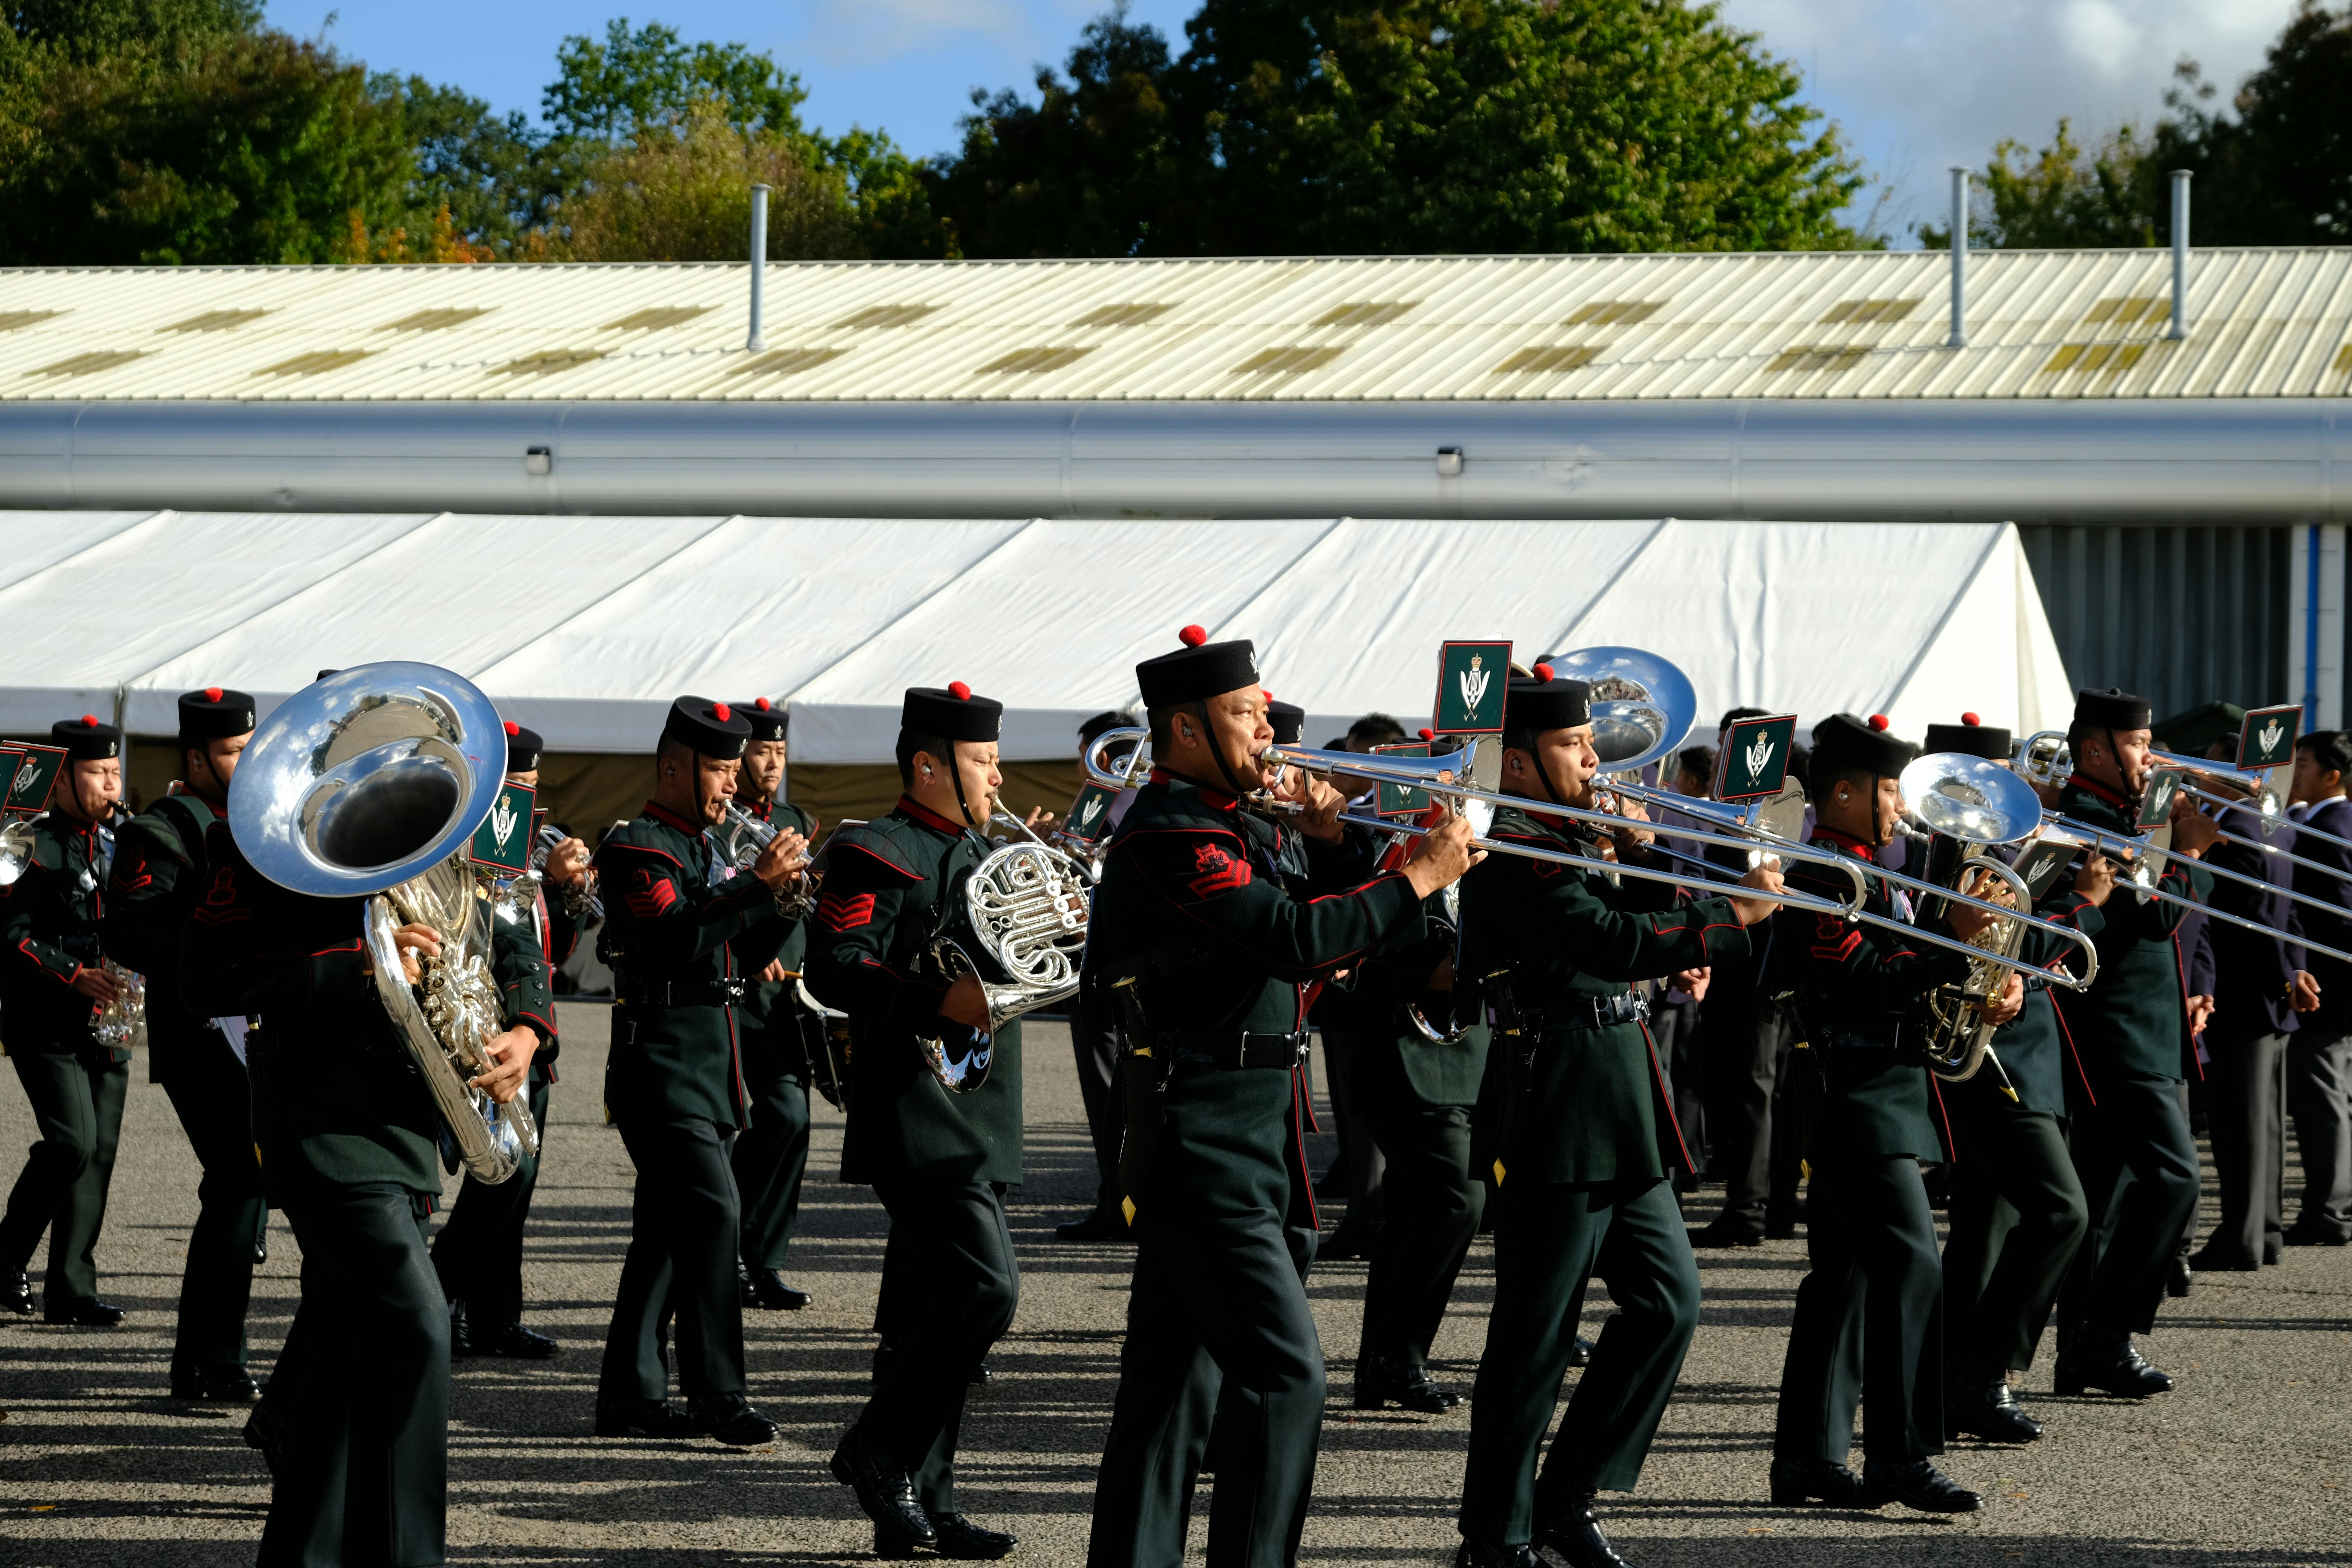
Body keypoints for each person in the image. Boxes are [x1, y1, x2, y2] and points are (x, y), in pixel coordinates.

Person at [1085, 626, 1476, 1568]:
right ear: (1183, 730)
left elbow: (1353, 947)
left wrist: (1343, 840)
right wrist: (1417, 872)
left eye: (1265, 710)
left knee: (1172, 1391)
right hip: (1203, 1131)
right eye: (1245, 714)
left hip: (1251, 1127)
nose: (1268, 729)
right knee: (1287, 1376)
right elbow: (1289, 938)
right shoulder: (1172, 831)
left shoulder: (1243, 824)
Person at [181, 717, 548, 1567]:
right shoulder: (260, 845)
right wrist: (357, 964)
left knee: (352, 1349)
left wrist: (526, 1030)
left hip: (410, 1125)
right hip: (324, 1122)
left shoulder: (441, 827)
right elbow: (202, 977)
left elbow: (507, 932)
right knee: (416, 1326)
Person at [1455, 667, 1779, 1568]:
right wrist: (1731, 916)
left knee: (1671, 1302)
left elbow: (1630, 911)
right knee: (1536, 1337)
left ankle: (1566, 1494)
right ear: (1518, 763)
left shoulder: (1571, 831)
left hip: (1619, 1097)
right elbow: (1606, 941)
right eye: (1574, 744)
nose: (1596, 756)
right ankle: (1494, 1536)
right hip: (1554, 1100)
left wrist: (1656, 865)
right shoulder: (1513, 844)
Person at [1769, 712, 2017, 1515]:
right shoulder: (1825, 873)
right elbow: (1863, 977)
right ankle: (1900, 1458)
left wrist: (1985, 988)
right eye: (1886, 789)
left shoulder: (1872, 867)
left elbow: (1909, 971)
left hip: (1885, 1088)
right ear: (1843, 791)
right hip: (1855, 1089)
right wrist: (1951, 941)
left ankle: (1809, 1459)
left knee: (1844, 1278)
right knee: (1912, 1266)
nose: (1902, 807)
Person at [809, 681, 1028, 1560]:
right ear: (931, 765)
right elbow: (837, 967)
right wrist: (940, 996)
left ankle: (925, 1503)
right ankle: (878, 1450)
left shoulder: (987, 850)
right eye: (984, 760)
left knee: (927, 1314)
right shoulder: (877, 851)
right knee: (987, 1289)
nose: (998, 774)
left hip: (980, 1109)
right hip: (916, 1110)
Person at [592, 697, 807, 1446]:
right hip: (660, 1067)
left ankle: (630, 1393)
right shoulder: (636, 847)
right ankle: (719, 1393)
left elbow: (738, 959)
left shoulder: (711, 849)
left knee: (664, 1232)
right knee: (716, 1213)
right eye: (718, 768)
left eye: (733, 767)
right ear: (675, 766)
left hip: (710, 1071)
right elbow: (675, 939)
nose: (731, 782)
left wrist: (782, 901)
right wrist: (754, 887)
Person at [1923, 715, 2110, 1445]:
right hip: (1991, 1060)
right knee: (2062, 1213)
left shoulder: (2007, 847)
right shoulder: (1944, 849)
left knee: (1985, 1227)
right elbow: (2004, 941)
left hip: (2023, 1054)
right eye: (1992, 777)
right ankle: (1982, 1370)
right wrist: (2083, 908)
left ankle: (1947, 1380)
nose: (2012, 789)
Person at [2049, 688, 2219, 1398]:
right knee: (2175, 1180)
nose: (2152, 757)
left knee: (2101, 1198)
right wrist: (2187, 851)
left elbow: (2170, 920)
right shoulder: (2084, 819)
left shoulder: (2130, 814)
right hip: (2113, 1035)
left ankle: (2080, 1351)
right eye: (2137, 745)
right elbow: (2149, 918)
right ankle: (2107, 1337)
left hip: (2147, 1030)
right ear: (2093, 749)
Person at [102, 687, 267, 1395]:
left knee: (242, 1187)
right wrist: (217, 958)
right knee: (240, 1180)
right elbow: (129, 929)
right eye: (233, 751)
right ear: (196, 757)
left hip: (255, 1029)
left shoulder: (263, 820)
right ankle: (212, 1361)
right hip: (199, 1034)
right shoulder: (164, 828)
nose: (248, 760)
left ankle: (199, 1362)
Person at [432, 722, 577, 1360]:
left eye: (531, 785)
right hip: (475, 1027)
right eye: (513, 784)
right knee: (497, 1180)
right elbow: (480, 926)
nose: (522, 796)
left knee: (517, 1178)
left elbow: (548, 948)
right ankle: (443, 1299)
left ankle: (494, 1314)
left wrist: (565, 897)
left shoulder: (531, 839)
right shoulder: (464, 836)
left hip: (526, 1028)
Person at [0, 715, 132, 1326]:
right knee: (71, 1143)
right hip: (45, 1017)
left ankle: (72, 1291)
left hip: (111, 1017)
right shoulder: (24, 841)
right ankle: (5, 1260)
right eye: (97, 773)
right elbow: (10, 936)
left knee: (98, 1151)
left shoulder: (125, 841)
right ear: (59, 778)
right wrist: (73, 974)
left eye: (115, 771)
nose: (111, 784)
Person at [2190, 758, 2315, 1271]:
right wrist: (2296, 970)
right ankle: (2263, 1233)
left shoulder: (2232, 830)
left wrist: (2287, 977)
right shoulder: (2272, 826)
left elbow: (2253, 922)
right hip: (2270, 993)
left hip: (2244, 994)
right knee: (2263, 1123)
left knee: (2239, 1125)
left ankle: (2241, 1237)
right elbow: (2292, 914)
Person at [1693, 709, 1804, 1246]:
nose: (1719, 760)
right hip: (1768, 972)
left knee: (1756, 1094)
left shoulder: (1756, 816)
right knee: (1772, 1093)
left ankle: (1750, 1211)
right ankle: (1775, 1206)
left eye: (1725, 748)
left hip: (1753, 973)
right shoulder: (1768, 814)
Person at [725, 697, 822, 1310]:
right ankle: (728, 1248)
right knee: (762, 1121)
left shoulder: (796, 818)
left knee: (795, 1123)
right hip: (740, 994)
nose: (772, 762)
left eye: (780, 752)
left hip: (794, 994)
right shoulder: (717, 823)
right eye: (762, 750)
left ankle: (766, 1260)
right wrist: (742, 948)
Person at [1317, 710, 1410, 1224]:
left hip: (1376, 982)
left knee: (1366, 1103)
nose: (1339, 768)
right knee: (1352, 1101)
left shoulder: (1382, 816)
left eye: (1351, 757)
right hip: (1347, 983)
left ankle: (1369, 1214)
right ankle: (1362, 1199)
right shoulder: (1354, 813)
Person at [1057, 707, 1144, 1243]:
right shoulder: (1104, 808)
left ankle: (1122, 1202)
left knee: (1115, 1092)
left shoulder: (1112, 802)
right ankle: (1120, 1199)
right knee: (1119, 1093)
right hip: (1120, 968)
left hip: (1118, 966)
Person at [2285, 729, 2352, 1246]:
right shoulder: (2331, 822)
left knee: (2322, 1100)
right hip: (2334, 985)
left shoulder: (2329, 828)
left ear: (2333, 775)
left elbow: (2333, 914)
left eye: (2303, 764)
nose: (2295, 772)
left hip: (2330, 987)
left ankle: (2328, 1211)